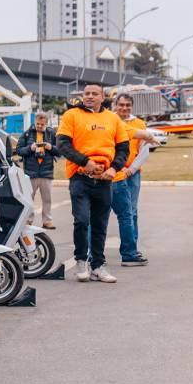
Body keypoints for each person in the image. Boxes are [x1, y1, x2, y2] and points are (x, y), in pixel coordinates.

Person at [55, 82, 129, 283]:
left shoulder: (112, 118)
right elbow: (62, 144)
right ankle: (81, 261)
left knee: (100, 224)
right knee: (81, 220)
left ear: (102, 97)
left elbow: (123, 148)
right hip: (80, 177)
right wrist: (85, 161)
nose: (89, 96)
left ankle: (98, 265)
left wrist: (114, 169)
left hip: (104, 179)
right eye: (86, 93)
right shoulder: (71, 115)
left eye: (94, 93)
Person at [109, 94, 160, 266]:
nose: (124, 108)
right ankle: (95, 251)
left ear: (132, 106)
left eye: (128, 105)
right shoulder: (109, 120)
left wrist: (131, 169)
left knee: (131, 212)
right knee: (103, 213)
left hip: (132, 173)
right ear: (115, 105)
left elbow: (144, 150)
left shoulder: (138, 124)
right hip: (112, 172)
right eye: (121, 105)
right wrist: (118, 167)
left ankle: (131, 247)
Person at [15, 111, 56, 229]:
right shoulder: (27, 134)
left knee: (47, 199)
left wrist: (50, 147)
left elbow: (59, 151)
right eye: (38, 124)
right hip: (30, 172)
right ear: (35, 122)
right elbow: (19, 150)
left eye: (42, 124)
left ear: (46, 123)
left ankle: (47, 221)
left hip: (46, 172)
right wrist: (30, 148)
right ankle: (28, 220)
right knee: (29, 199)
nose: (39, 126)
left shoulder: (52, 134)